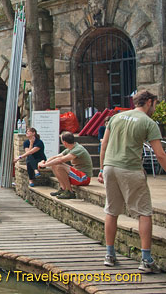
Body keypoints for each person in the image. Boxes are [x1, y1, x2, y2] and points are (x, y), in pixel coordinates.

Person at [99, 90, 166, 273]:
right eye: (155, 104)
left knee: (111, 211)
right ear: (149, 102)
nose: (155, 108)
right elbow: (159, 154)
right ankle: (145, 259)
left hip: (110, 167)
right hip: (130, 169)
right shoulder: (148, 122)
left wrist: (101, 168)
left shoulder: (117, 117)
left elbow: (103, 144)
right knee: (144, 212)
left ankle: (109, 255)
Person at [38, 131, 93, 199]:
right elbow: (56, 157)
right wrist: (45, 162)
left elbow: (60, 160)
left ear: (64, 142)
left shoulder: (78, 149)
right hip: (77, 175)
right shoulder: (71, 148)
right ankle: (63, 188)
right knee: (54, 165)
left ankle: (70, 192)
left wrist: (44, 165)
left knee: (60, 166)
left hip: (84, 178)